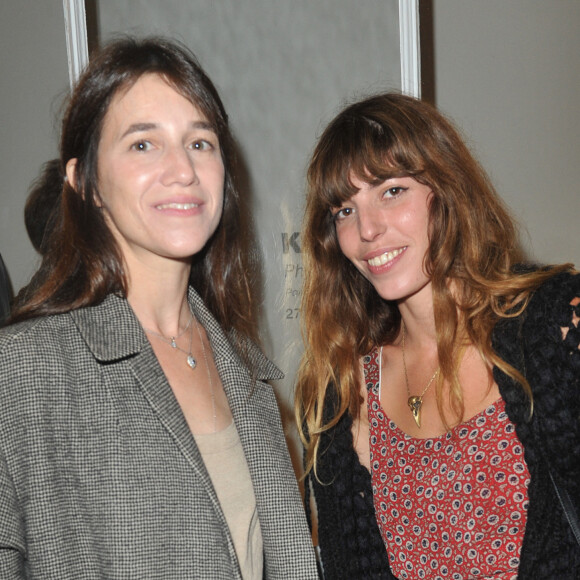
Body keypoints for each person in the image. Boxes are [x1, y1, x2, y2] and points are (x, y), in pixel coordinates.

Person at [0, 36, 318, 579]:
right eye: (143, 145)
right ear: (84, 183)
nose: (183, 171)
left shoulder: (247, 373)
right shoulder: (26, 370)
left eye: (201, 143)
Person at [295, 92, 580, 579]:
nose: (367, 229)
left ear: (444, 189)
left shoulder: (554, 324)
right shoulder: (343, 391)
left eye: (391, 191)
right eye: (344, 210)